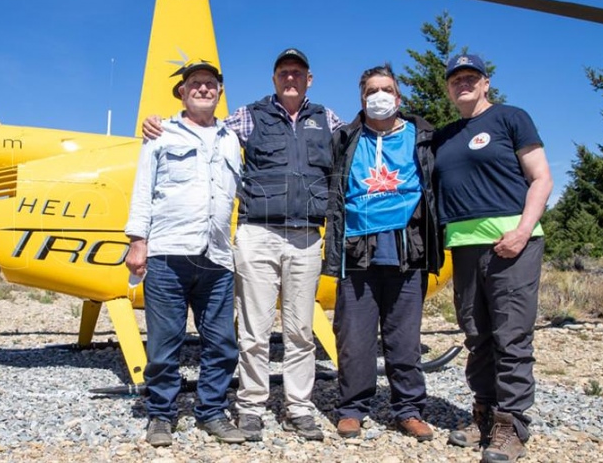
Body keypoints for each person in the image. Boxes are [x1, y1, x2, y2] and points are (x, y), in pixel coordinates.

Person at [143, 48, 343, 442]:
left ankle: (299, 407)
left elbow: (357, 144)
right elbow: (203, 129)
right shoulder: (248, 117)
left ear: (309, 79)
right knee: (254, 329)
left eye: (298, 73)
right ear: (273, 79)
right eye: (283, 72)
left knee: (302, 330)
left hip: (306, 236)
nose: (290, 78)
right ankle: (251, 405)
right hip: (257, 234)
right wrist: (159, 124)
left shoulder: (328, 119)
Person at [434, 54, 553, 463]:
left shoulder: (510, 118)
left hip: (513, 243)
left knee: (511, 334)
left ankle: (512, 424)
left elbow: (541, 177)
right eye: (455, 79)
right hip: (464, 247)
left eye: (471, 77)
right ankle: (483, 412)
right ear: (448, 88)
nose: (463, 84)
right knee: (476, 333)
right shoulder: (444, 136)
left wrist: (522, 231)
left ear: (485, 83)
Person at [125, 59, 246, 447]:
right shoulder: (160, 134)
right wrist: (136, 241)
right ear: (182, 91)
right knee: (164, 343)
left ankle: (211, 411)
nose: (203, 89)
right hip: (167, 254)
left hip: (216, 257)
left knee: (222, 343)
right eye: (195, 83)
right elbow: (143, 188)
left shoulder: (231, 138)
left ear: (220, 91)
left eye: (210, 83)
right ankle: (160, 414)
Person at [322, 64, 443, 442]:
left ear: (398, 97)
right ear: (362, 98)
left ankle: (408, 409)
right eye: (372, 90)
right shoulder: (344, 137)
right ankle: (351, 409)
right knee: (353, 337)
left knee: (404, 337)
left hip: (408, 247)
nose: (379, 96)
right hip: (356, 249)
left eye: (386, 89)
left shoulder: (423, 137)